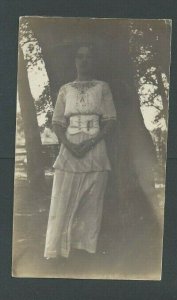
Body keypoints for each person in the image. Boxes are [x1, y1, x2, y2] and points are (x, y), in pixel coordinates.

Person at [44, 44, 117, 259]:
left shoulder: (102, 87)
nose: (84, 60)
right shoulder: (65, 89)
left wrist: (92, 142)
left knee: (93, 201)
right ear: (75, 60)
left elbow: (111, 121)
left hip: (96, 147)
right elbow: (57, 122)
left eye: (88, 57)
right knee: (61, 197)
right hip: (69, 146)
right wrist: (69, 144)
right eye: (80, 57)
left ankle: (83, 250)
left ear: (93, 61)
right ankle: (55, 250)